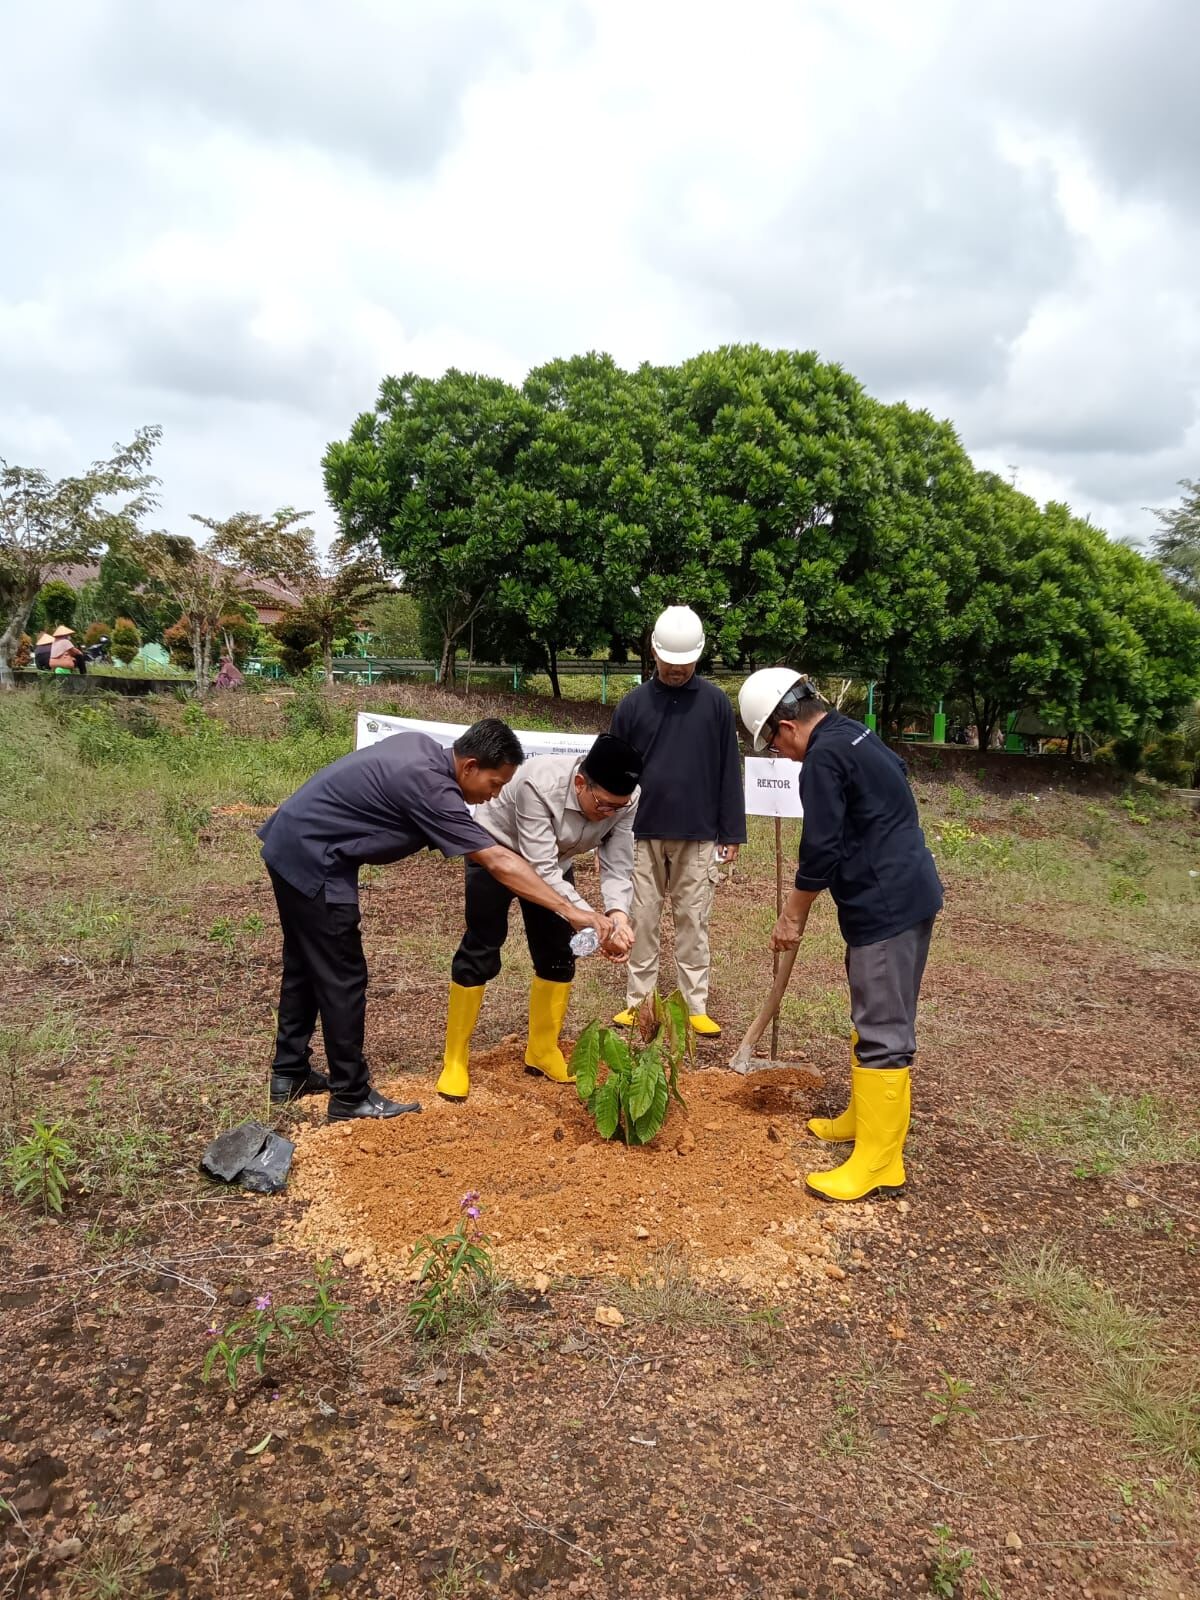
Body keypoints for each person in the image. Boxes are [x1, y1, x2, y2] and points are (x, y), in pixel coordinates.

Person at [258, 718, 613, 1123]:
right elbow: (496, 860)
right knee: (343, 974)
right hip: (315, 859)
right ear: (470, 767)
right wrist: (570, 910)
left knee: (305, 966)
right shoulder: (431, 786)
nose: (495, 795)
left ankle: (290, 1073)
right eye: (495, 784)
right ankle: (350, 1094)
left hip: (295, 844)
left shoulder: (422, 753)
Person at [737, 669, 943, 1202]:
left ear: (787, 726)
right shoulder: (855, 732)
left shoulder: (823, 757)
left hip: (887, 905)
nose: (780, 755)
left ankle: (879, 1164)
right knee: (871, 1015)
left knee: (883, 1028)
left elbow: (821, 848)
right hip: (901, 892)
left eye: (775, 745)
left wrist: (792, 914)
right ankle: (861, 1120)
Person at [438, 733, 643, 1102]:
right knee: (483, 947)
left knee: (558, 954)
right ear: (581, 782)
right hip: (496, 851)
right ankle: (455, 1059)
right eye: (604, 805)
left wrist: (618, 916)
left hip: (553, 861)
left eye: (620, 807)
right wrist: (587, 917)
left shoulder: (626, 800)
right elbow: (540, 869)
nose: (610, 813)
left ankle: (542, 1050)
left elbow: (618, 861)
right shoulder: (538, 782)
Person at [609, 605, 746, 1036]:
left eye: (685, 665)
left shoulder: (716, 704)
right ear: (654, 654)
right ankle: (639, 1002)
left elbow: (728, 768)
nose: (677, 671)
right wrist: (609, 827)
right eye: (670, 664)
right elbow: (613, 768)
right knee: (642, 919)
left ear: (698, 659)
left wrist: (732, 831)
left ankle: (694, 1004)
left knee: (694, 920)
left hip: (700, 832)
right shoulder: (632, 705)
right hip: (640, 831)